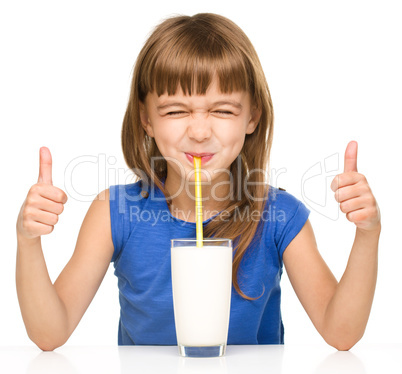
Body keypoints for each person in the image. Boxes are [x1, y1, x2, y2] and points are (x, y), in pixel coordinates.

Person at [16, 13, 381, 352]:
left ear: (252, 116)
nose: (200, 131)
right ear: (146, 119)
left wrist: (367, 233)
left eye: (223, 110)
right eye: (176, 111)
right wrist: (28, 241)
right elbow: (50, 333)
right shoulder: (115, 212)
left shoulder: (279, 217)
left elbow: (341, 333)